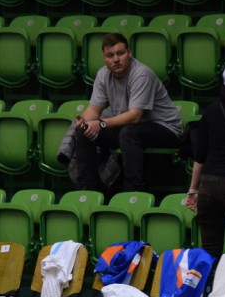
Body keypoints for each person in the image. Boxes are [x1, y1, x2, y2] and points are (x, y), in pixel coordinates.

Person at [73, 33, 182, 192]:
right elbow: (94, 109)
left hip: (166, 128)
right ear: (104, 58)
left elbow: (135, 116)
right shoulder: (103, 74)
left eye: (120, 53)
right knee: (84, 132)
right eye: (110, 55)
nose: (116, 59)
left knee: (129, 133)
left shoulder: (141, 74)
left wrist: (101, 124)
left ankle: (133, 189)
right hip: (131, 127)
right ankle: (86, 189)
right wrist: (84, 122)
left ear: (129, 53)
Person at [186, 59, 225, 261]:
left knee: (209, 251)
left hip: (209, 186)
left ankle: (207, 282)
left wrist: (193, 190)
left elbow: (199, 156)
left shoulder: (210, 112)